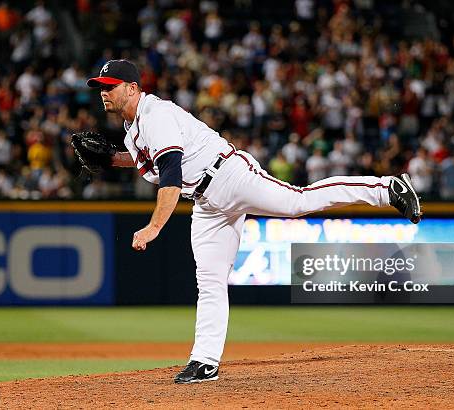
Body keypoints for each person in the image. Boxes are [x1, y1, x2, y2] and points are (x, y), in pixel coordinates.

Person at [85, 60, 422, 384]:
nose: (104, 92)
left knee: (297, 201)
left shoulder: (155, 114)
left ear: (132, 88)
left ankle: (385, 188)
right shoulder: (133, 128)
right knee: (210, 280)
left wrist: (154, 226)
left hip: (229, 176)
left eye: (110, 87)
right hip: (205, 202)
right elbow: (150, 159)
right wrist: (113, 160)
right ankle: (205, 361)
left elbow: (171, 172)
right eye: (101, 87)